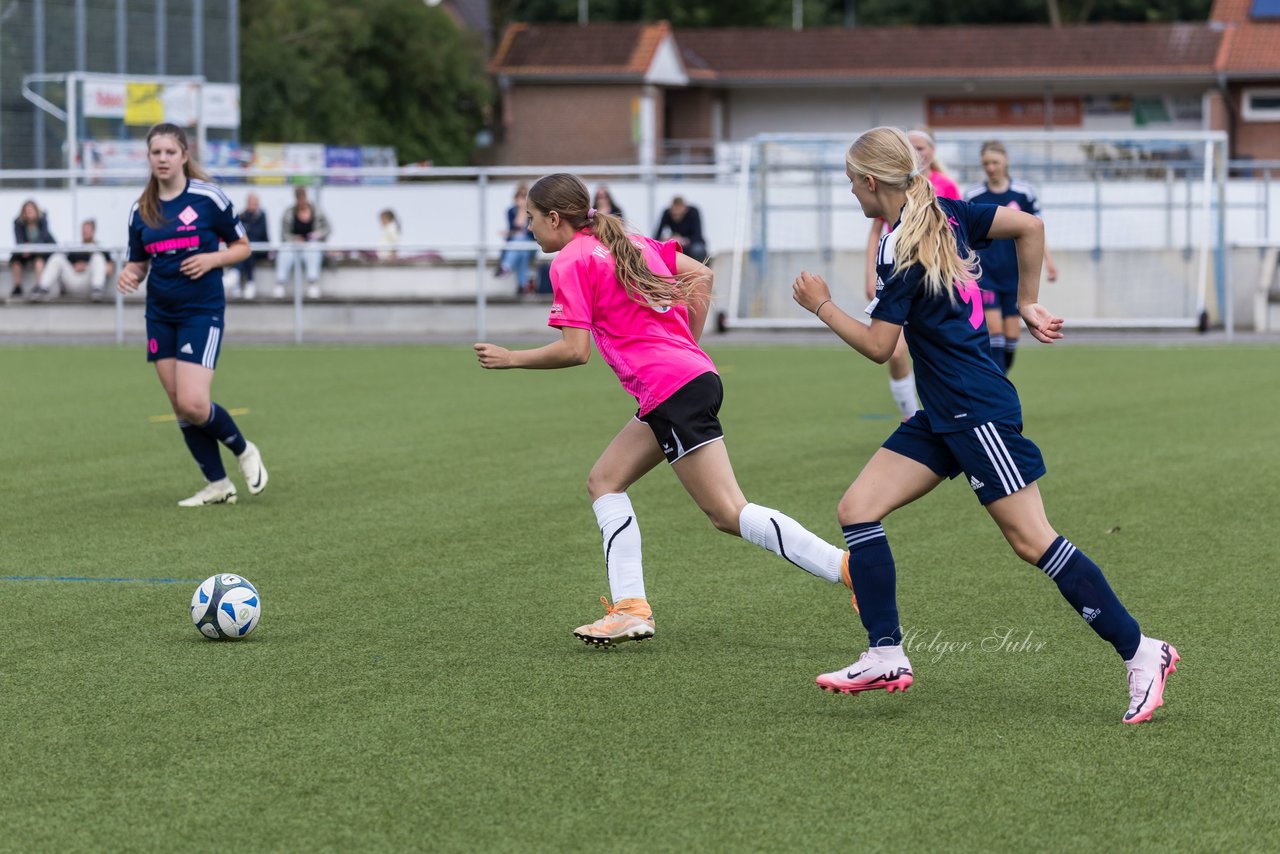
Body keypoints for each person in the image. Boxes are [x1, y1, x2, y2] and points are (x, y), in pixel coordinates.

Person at [791, 127, 1177, 724]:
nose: (850, 192)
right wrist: (1026, 301)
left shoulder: (904, 251)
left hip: (977, 412)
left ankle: (1142, 652)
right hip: (944, 413)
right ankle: (886, 651)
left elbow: (877, 345)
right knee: (857, 508)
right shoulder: (942, 212)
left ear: (871, 183)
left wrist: (821, 304)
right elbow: (1028, 225)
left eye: (850, 182)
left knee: (1032, 540)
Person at [474, 173, 857, 647]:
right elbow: (702, 275)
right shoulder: (625, 239)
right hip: (685, 381)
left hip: (672, 387)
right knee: (605, 480)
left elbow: (575, 351)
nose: (527, 226)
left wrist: (512, 359)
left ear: (554, 218)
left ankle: (847, 567)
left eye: (530, 218)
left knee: (727, 511)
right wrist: (686, 346)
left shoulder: (571, 261)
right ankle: (630, 608)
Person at [117, 122, 270, 507]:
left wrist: (213, 258)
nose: (163, 159)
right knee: (178, 404)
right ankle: (217, 484)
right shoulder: (141, 211)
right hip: (160, 314)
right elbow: (138, 263)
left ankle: (244, 449)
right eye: (156, 153)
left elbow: (243, 247)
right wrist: (129, 275)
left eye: (170, 152)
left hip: (201, 311)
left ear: (184, 155)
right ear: (149, 158)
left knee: (194, 403)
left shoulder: (208, 198)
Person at [863, 127, 960, 420]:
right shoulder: (893, 185)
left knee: (937, 349)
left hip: (936, 280)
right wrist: (870, 275)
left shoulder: (945, 186)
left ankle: (947, 411)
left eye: (921, 147)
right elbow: (875, 232)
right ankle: (910, 416)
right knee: (892, 350)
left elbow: (958, 233)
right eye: (911, 147)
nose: (918, 153)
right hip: (899, 276)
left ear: (932, 151)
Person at [963, 140, 1058, 373]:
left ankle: (1000, 377)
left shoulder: (1023, 193)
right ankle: (997, 388)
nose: (991, 167)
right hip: (985, 272)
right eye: (986, 163)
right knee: (994, 331)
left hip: (1014, 274)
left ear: (1005, 161)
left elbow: (1036, 229)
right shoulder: (973, 195)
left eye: (995, 162)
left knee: (1011, 336)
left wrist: (1049, 261)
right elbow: (962, 235)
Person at [273, 186, 330, 300]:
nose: (301, 201)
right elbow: (284, 234)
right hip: (294, 245)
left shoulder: (317, 211)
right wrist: (294, 238)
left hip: (311, 243)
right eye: (299, 199)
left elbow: (327, 228)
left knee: (313, 249)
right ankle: (280, 283)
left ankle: (312, 282)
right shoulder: (289, 212)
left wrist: (317, 234)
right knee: (285, 250)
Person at [37, 218, 115, 301]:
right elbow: (66, 266)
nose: (85, 232)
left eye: (87, 229)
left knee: (97, 257)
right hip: (73, 282)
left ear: (93, 230)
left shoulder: (101, 248)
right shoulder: (76, 248)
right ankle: (42, 288)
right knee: (58, 257)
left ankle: (97, 290)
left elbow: (109, 269)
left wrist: (86, 267)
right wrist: (75, 266)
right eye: (83, 229)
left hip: (89, 283)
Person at [10, 199, 56, 299]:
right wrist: (24, 247)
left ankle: (39, 286)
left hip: (40, 250)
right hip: (26, 251)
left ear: (36, 211)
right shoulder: (18, 223)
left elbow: (43, 238)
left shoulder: (43, 220)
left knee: (39, 260)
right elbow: (19, 240)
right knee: (15, 259)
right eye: (26, 211)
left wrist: (31, 247)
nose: (28, 213)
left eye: (30, 211)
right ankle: (17, 286)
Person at [496, 185, 535, 293]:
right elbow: (515, 227)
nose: (522, 199)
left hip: (531, 245)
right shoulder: (511, 211)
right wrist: (520, 212)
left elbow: (532, 233)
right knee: (523, 252)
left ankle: (505, 266)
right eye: (520, 196)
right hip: (520, 248)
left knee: (520, 240)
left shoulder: (533, 212)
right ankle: (522, 286)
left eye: (524, 196)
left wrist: (524, 210)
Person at [234, 193, 269, 300]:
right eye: (251, 204)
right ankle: (248, 283)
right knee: (245, 251)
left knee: (248, 248)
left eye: (255, 204)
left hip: (261, 248)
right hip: (249, 249)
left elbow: (259, 233)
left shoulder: (262, 216)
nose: (253, 207)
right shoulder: (242, 216)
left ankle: (237, 277)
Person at [655, 195, 707, 260]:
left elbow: (697, 235)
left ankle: (699, 267)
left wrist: (683, 240)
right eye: (675, 213)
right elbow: (657, 235)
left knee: (697, 249)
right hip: (676, 244)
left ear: (685, 209)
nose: (677, 215)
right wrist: (666, 239)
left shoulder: (693, 212)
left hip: (691, 243)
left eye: (679, 212)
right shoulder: (667, 213)